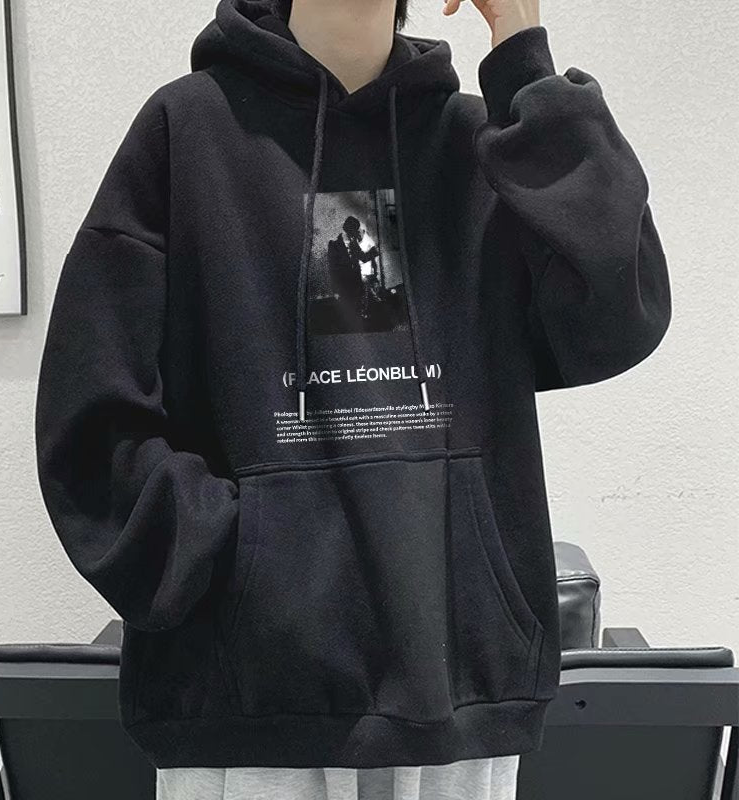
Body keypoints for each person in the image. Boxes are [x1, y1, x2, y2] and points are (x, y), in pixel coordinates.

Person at [34, 0, 672, 798]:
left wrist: (520, 53)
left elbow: (621, 311)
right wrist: (234, 569)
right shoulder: (185, 131)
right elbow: (90, 421)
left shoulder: (480, 145)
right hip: (247, 711)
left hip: (455, 703)